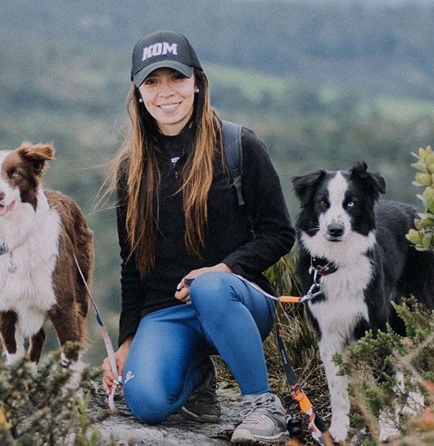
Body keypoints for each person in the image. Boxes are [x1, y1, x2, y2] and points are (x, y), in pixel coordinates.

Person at [102, 30, 296, 444]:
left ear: (197, 82)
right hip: (168, 313)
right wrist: (127, 342)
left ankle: (263, 406)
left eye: (177, 78)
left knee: (209, 287)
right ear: (138, 92)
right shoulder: (131, 170)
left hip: (236, 301)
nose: (165, 92)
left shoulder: (238, 146)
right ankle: (198, 380)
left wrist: (224, 270)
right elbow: (132, 265)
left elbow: (279, 233)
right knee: (147, 403)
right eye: (152, 82)